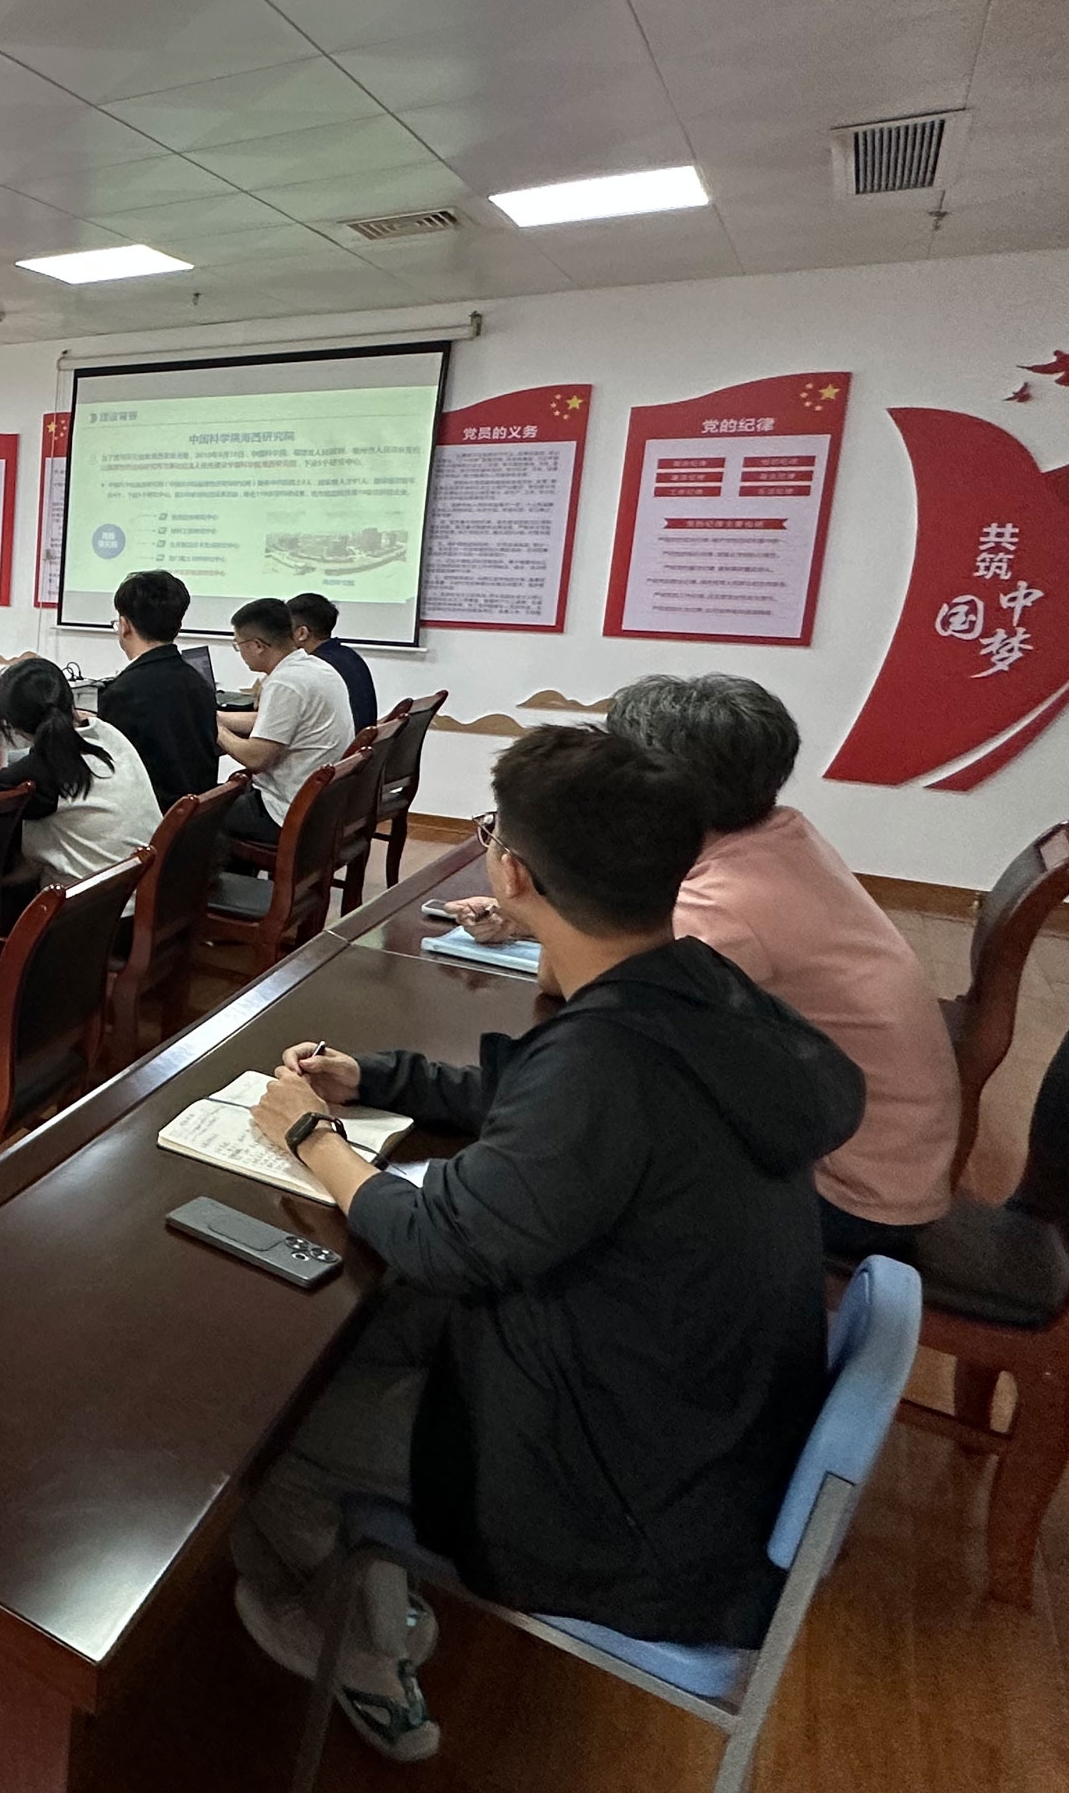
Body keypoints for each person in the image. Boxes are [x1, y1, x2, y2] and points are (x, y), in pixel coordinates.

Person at [234, 724, 861, 1762]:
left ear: (512, 872)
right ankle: (375, 1588)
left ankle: (352, 1642)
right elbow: (545, 1096)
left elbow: (442, 1237)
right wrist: (376, 1076)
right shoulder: (698, 989)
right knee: (375, 1335)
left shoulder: (606, 1061)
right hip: (691, 1422)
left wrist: (314, 1140)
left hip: (613, 1499)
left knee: (273, 1429)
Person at [449, 674, 956, 1258]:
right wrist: (524, 918)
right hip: (873, 1143)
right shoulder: (779, 832)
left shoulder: (724, 906)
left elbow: (571, 982)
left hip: (849, 1191)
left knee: (568, 1155)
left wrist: (531, 904)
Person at [0, 655, 163, 889]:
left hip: (98, 904)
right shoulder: (106, 733)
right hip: (147, 888)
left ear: (13, 724)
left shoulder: (43, 769)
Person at [216, 596, 355, 849]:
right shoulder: (317, 668)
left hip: (287, 812)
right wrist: (219, 716)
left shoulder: (285, 682)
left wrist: (215, 729)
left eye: (239, 645)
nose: (240, 652)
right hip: (323, 804)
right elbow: (272, 720)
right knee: (219, 798)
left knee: (196, 818)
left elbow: (256, 758)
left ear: (257, 645)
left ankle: (228, 875)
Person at [95, 569, 220, 809]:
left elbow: (108, 774)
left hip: (149, 817)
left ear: (124, 626)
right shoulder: (197, 681)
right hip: (192, 817)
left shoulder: (123, 692)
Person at [289, 591, 377, 734]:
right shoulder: (349, 654)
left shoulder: (314, 667)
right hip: (359, 744)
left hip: (341, 746)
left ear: (302, 633)